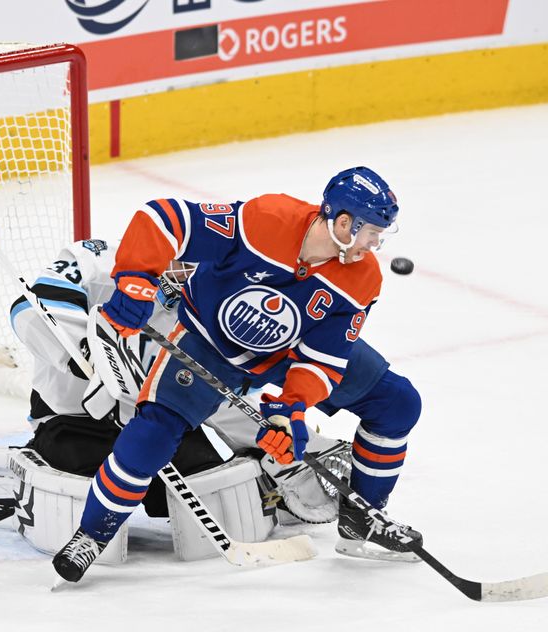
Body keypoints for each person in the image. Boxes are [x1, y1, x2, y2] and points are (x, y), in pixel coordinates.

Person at [53, 166, 423, 584]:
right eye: (372, 231)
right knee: (151, 435)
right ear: (343, 223)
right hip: (206, 344)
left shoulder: (362, 278)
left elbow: (322, 360)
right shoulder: (266, 220)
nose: (376, 243)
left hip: (287, 352)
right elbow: (166, 218)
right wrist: (137, 281)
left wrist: (290, 412)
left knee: (398, 403)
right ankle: (91, 535)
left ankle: (362, 520)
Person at [0, 237, 346, 544]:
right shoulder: (99, 258)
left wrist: (276, 440)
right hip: (72, 419)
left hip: (152, 424)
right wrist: (86, 354)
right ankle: (14, 472)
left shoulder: (204, 311)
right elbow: (32, 304)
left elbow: (215, 396)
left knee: (215, 488)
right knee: (73, 489)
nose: (186, 277)